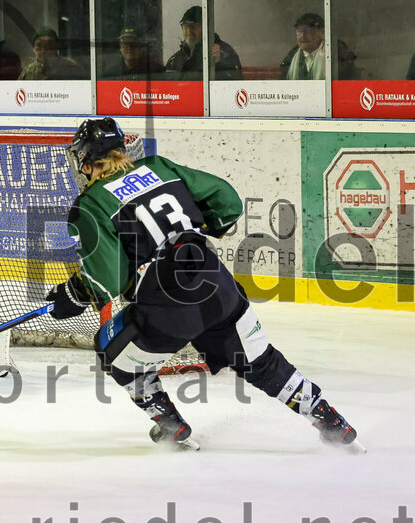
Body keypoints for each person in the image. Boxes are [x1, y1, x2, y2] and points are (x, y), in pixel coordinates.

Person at [47, 117, 362, 451]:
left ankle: (170, 424)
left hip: (166, 309)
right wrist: (199, 230)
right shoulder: (158, 166)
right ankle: (330, 422)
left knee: (110, 351)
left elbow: (108, 280)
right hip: (217, 286)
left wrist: (75, 293)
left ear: (86, 161)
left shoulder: (91, 204)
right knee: (263, 363)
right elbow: (228, 203)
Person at [164, 6, 242, 80]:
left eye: (193, 26)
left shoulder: (225, 53)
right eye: (185, 26)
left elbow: (237, 84)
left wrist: (218, 64)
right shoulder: (174, 60)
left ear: (206, 27)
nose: (189, 31)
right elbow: (167, 90)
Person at [279, 12, 357, 80]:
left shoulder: (337, 54)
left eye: (308, 31)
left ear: (322, 32)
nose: (302, 35)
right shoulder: (291, 57)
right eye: (299, 31)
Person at [17, 27, 87, 80]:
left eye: (49, 46)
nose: (43, 50)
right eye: (39, 45)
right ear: (34, 49)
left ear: (56, 47)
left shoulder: (71, 67)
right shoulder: (27, 72)